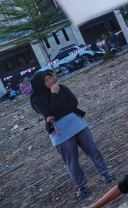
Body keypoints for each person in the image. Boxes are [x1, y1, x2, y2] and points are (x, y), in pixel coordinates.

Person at [30, 70, 114, 200]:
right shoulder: (37, 99)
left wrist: (57, 113)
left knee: (92, 149)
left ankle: (104, 173)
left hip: (77, 124)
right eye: (46, 80)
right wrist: (54, 95)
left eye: (50, 78)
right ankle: (81, 186)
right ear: (39, 84)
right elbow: (50, 111)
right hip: (61, 133)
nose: (50, 81)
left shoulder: (62, 88)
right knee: (72, 160)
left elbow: (73, 103)